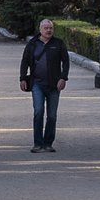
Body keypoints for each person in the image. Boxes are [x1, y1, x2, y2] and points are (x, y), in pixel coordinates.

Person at [19, 18, 69, 152]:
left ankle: (48, 143)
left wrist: (63, 78)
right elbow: (24, 61)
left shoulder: (58, 43)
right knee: (38, 112)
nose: (49, 30)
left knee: (52, 115)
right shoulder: (32, 44)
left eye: (51, 28)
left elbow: (66, 61)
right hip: (37, 84)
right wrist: (22, 78)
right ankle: (37, 143)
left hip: (54, 85)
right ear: (40, 29)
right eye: (46, 28)